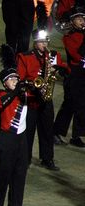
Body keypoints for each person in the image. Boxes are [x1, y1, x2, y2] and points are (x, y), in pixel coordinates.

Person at [16, 4, 69, 170]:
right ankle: (26, 159)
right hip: (31, 99)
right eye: (41, 42)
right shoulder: (24, 57)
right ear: (35, 43)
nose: (45, 44)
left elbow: (65, 70)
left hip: (46, 99)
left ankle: (47, 158)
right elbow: (21, 78)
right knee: (29, 131)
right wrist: (33, 84)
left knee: (46, 130)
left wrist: (59, 69)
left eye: (46, 41)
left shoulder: (52, 56)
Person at [0, 46, 30, 206]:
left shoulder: (24, 94)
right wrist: (16, 91)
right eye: (12, 79)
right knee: (4, 172)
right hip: (7, 138)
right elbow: (1, 104)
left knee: (20, 173)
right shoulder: (0, 94)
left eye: (17, 78)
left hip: (22, 139)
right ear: (5, 83)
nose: (16, 81)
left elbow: (41, 99)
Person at [60, 6, 85, 148]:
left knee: (82, 105)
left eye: (83, 18)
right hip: (74, 74)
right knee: (70, 104)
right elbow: (76, 56)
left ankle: (77, 135)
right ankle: (57, 131)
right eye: (79, 19)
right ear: (72, 21)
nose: (82, 21)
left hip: (82, 73)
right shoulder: (69, 37)